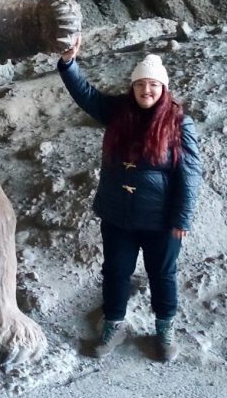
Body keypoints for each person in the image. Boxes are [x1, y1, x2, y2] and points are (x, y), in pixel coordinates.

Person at [57, 34, 202, 361]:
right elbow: (86, 94)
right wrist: (68, 63)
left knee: (162, 274)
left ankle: (164, 329)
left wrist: (181, 218)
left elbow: (190, 174)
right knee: (115, 271)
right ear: (132, 87)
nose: (146, 90)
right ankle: (113, 325)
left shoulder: (179, 123)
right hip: (118, 216)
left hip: (160, 220)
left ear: (163, 89)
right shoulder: (118, 112)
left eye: (153, 85)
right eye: (140, 85)